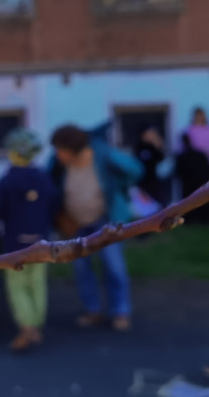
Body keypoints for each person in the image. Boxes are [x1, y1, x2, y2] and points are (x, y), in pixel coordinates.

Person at [49, 124, 144, 332]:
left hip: (106, 221)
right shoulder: (57, 163)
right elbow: (48, 182)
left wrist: (119, 185)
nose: (57, 154)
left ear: (73, 149)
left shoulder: (102, 155)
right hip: (75, 223)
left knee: (114, 265)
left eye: (61, 150)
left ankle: (120, 311)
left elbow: (135, 170)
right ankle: (92, 310)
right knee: (81, 268)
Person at [0, 128, 56, 352]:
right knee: (37, 284)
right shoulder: (44, 178)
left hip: (15, 242)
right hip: (42, 241)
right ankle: (37, 326)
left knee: (18, 285)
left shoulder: (8, 180)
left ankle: (27, 328)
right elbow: (54, 206)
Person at [175, 131, 209, 224]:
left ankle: (191, 220)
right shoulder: (199, 154)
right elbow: (207, 169)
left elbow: (178, 172)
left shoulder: (181, 157)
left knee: (189, 203)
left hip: (188, 185)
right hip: (201, 182)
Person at [136, 126, 169, 207]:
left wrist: (158, 146)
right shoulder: (139, 147)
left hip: (155, 182)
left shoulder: (152, 147)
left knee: (160, 205)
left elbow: (161, 158)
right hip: (143, 183)